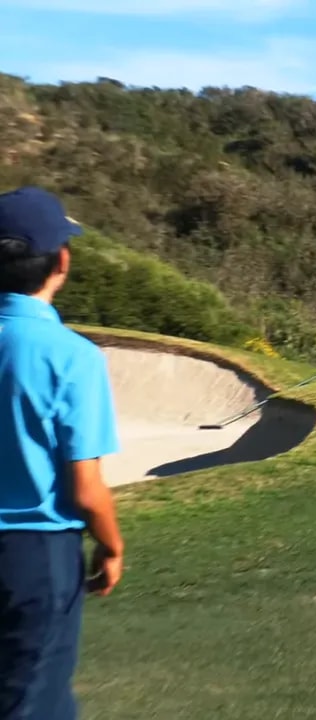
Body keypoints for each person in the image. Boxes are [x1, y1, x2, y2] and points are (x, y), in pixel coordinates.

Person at [0, 186, 124, 720]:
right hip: (37, 555)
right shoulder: (73, 357)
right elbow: (87, 489)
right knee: (34, 699)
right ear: (62, 261)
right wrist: (112, 547)